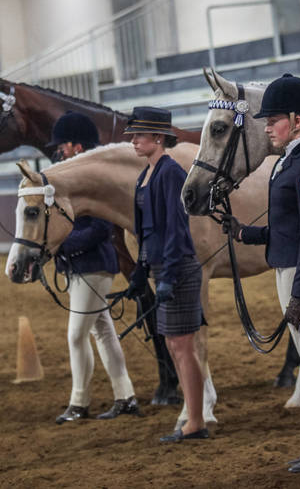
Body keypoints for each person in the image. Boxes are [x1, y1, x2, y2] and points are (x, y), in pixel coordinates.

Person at [227, 73, 300, 473]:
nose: (266, 127)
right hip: (289, 260)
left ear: (297, 119)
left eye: (273, 119)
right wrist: (246, 232)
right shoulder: (288, 161)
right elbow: (287, 225)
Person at [46, 111, 139, 424]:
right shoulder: (70, 177)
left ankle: (79, 403)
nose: (59, 151)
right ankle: (125, 396)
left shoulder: (93, 181)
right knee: (103, 332)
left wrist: (62, 246)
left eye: (63, 145)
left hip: (94, 265)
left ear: (76, 146)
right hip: (81, 267)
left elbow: (100, 229)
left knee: (76, 335)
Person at [124, 106, 208, 443]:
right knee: (175, 345)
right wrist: (141, 269)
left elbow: (175, 228)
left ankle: (196, 421)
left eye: (139, 135)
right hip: (162, 267)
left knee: (182, 346)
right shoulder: (146, 175)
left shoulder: (170, 173)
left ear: (158, 137)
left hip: (178, 268)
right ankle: (194, 417)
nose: (133, 140)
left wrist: (169, 275)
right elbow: (148, 230)